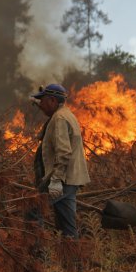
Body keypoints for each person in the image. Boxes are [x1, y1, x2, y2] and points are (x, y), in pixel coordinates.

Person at [31, 84, 90, 239]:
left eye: (42, 101)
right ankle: (73, 259)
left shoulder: (59, 119)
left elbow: (63, 152)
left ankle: (36, 254)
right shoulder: (66, 114)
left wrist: (56, 180)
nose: (41, 105)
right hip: (70, 179)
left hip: (62, 179)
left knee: (33, 210)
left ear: (51, 100)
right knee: (66, 225)